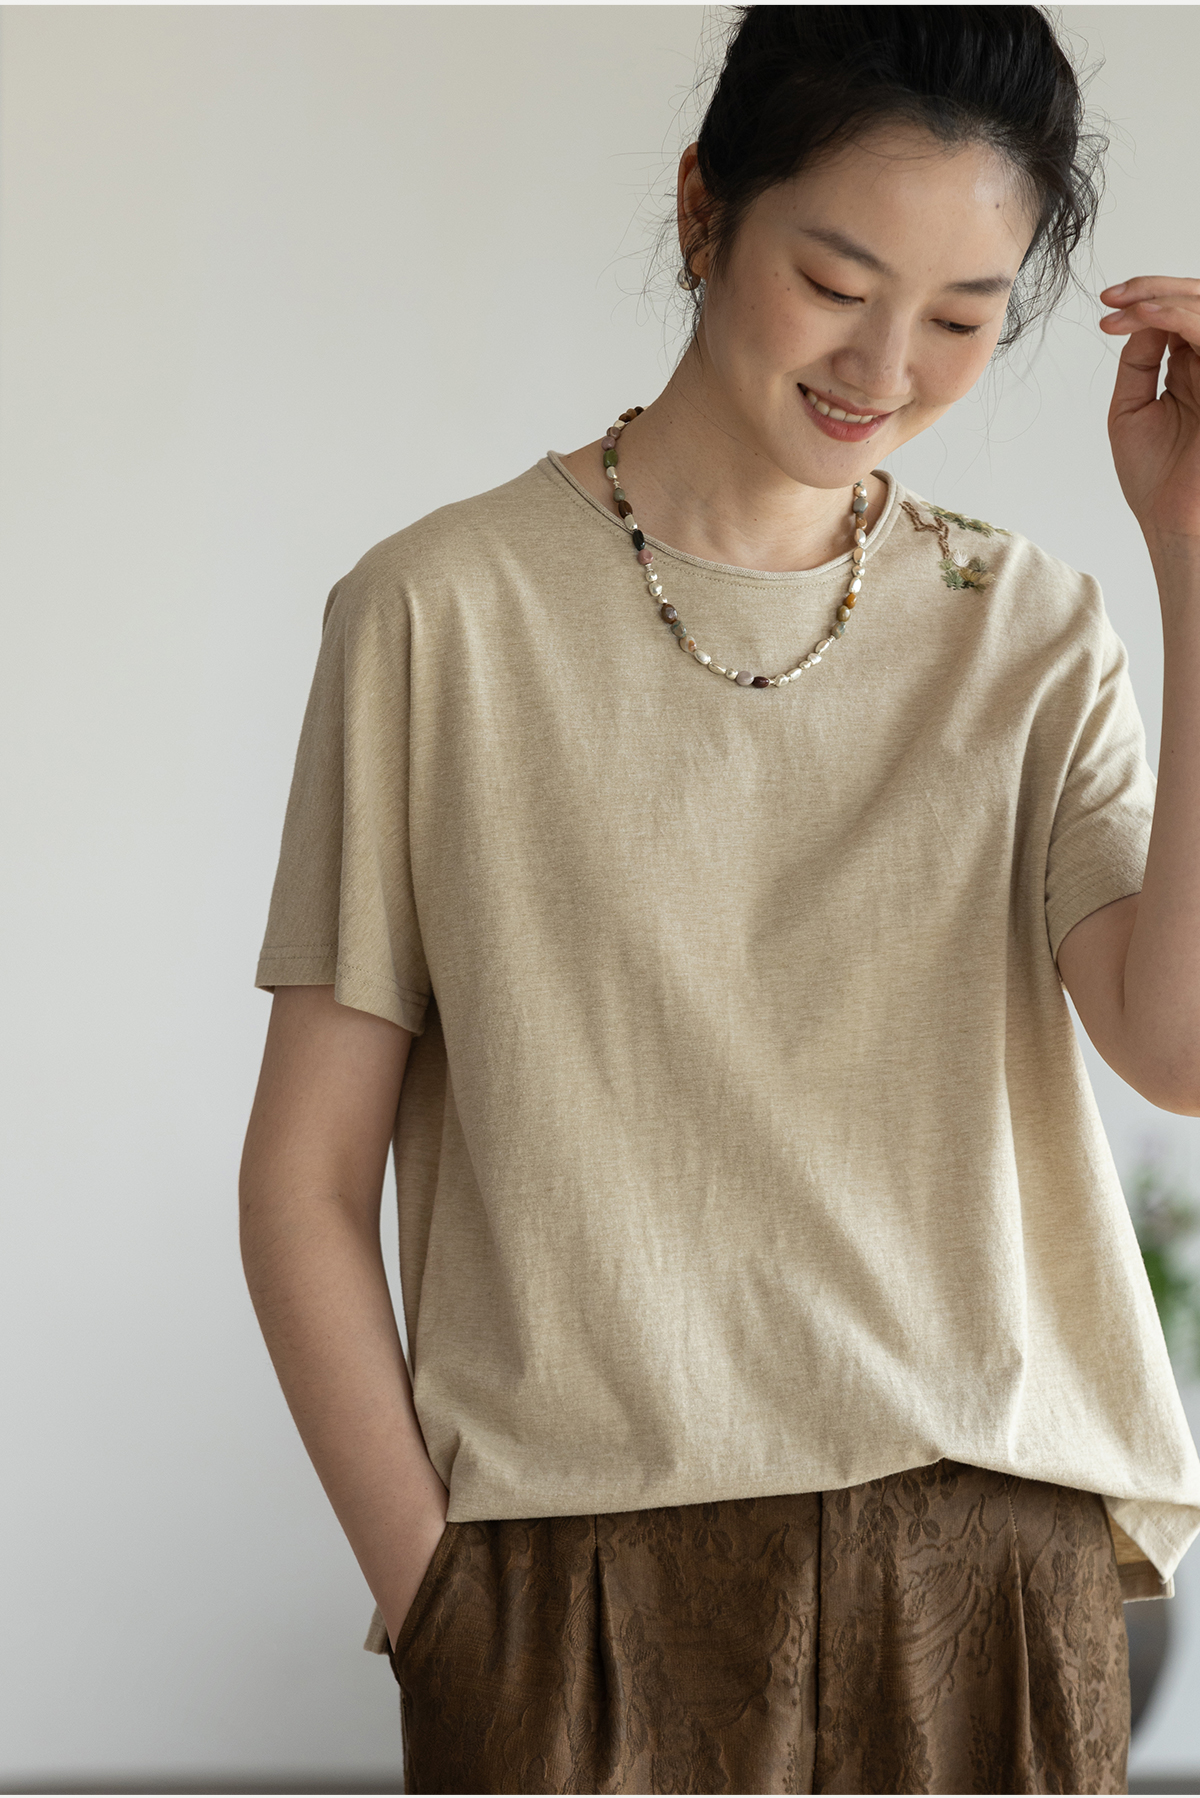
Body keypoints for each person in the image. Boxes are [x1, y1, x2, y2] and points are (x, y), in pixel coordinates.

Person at [239, 6, 1200, 1792]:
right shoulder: (437, 616)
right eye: (836, 280)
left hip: (987, 1575)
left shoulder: (1030, 631)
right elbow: (303, 1181)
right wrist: (443, 1604)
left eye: (964, 318)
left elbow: (1181, 1048)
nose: (885, 364)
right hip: (572, 1597)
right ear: (703, 210)